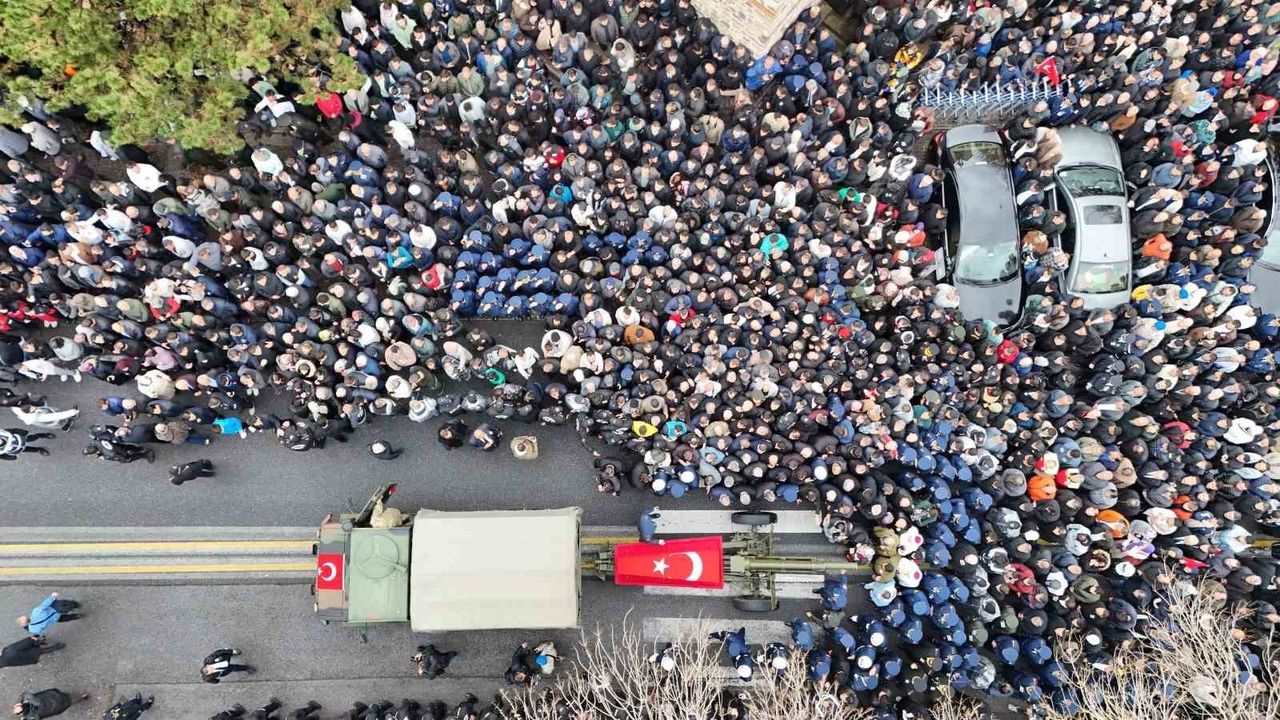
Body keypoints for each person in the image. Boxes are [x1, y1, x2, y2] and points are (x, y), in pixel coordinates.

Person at [12, 689, 88, 719]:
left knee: (69, 703)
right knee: (65, 696)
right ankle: (77, 695)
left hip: (55, 707)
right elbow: (24, 694)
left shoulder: (31, 715)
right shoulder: (28, 698)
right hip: (52, 696)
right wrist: (20, 702)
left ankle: (82, 697)